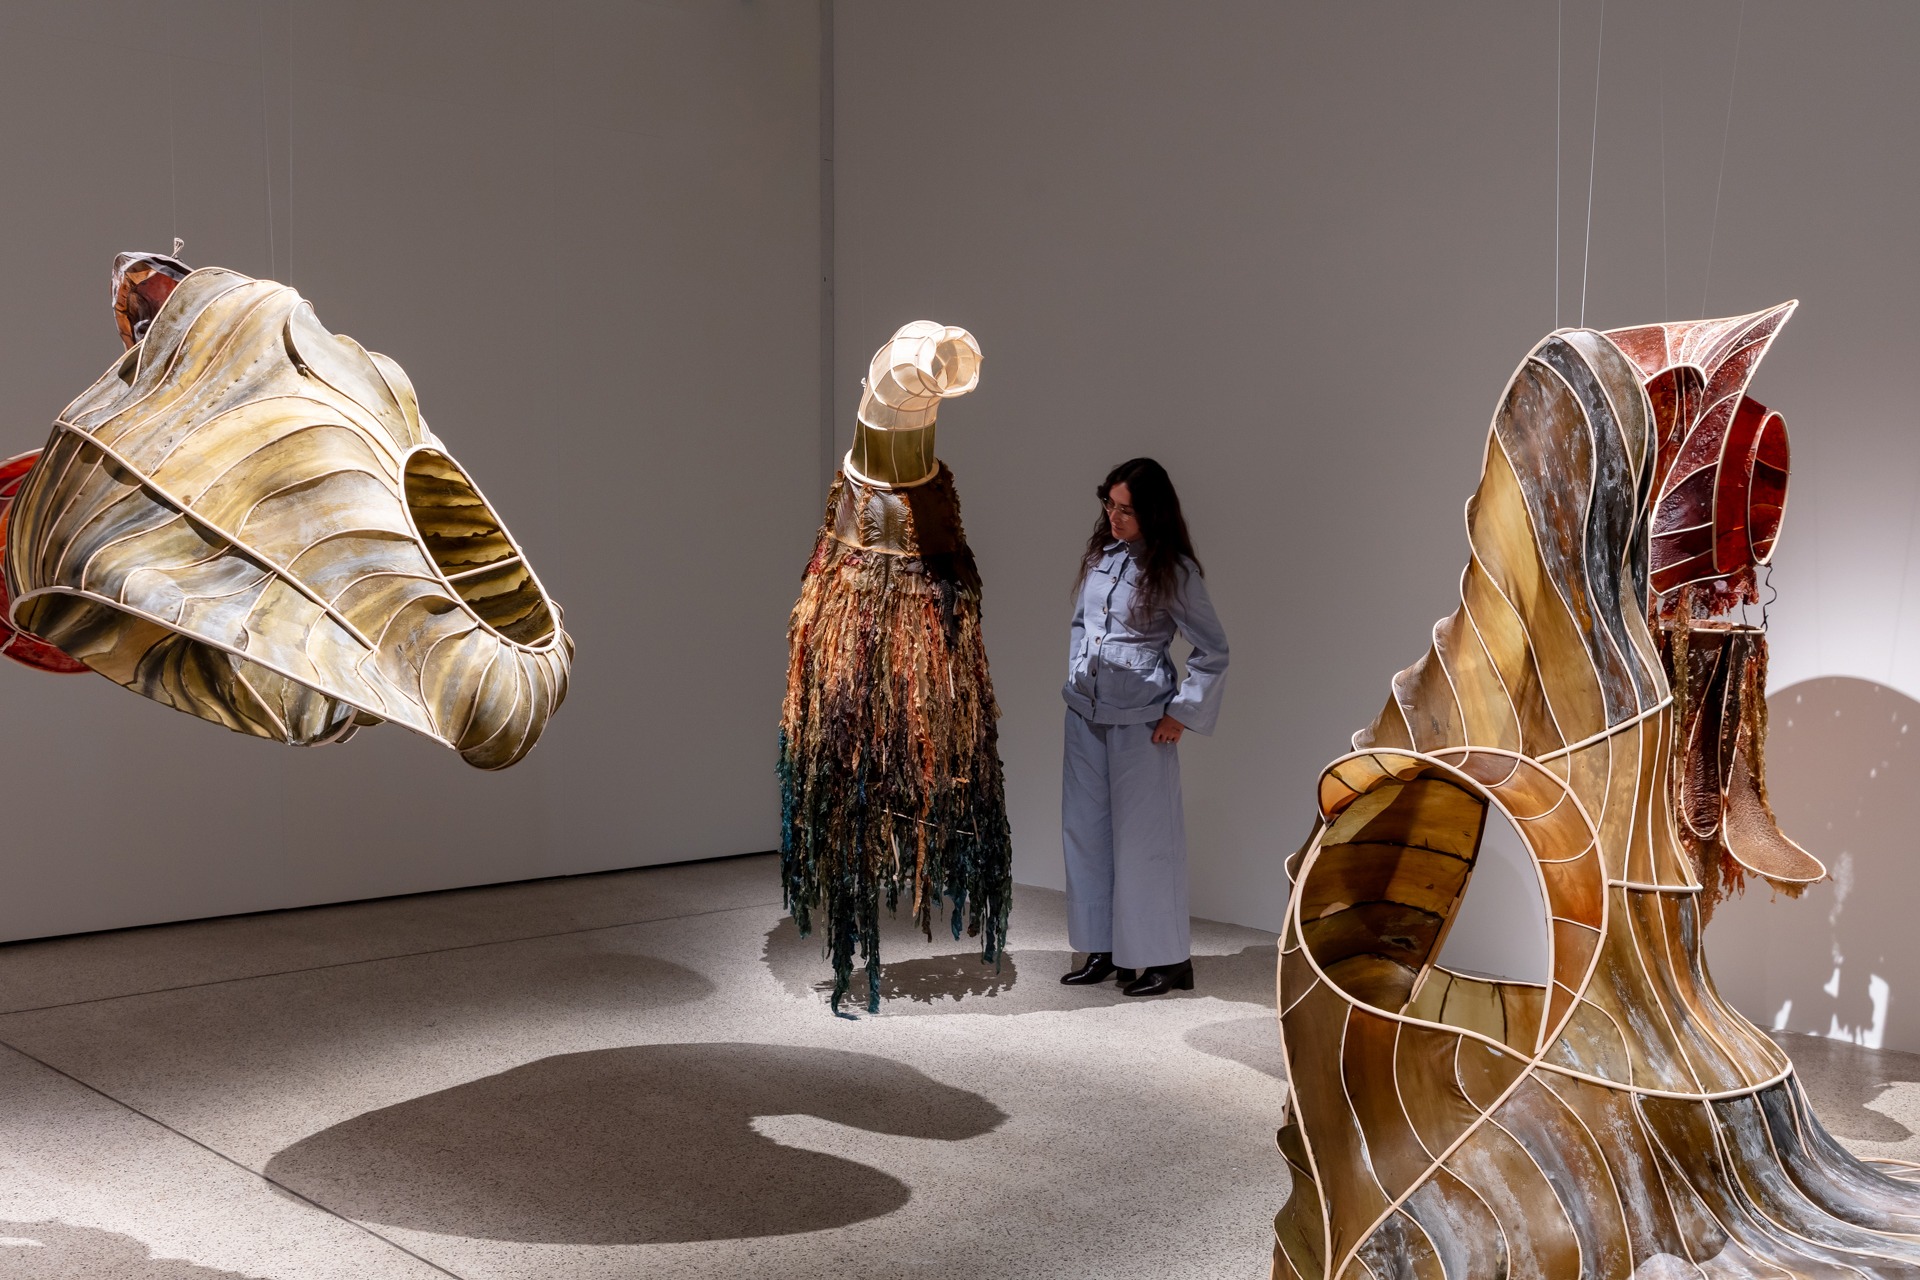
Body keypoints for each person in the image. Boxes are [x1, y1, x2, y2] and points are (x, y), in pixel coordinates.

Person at [1059, 458, 1227, 996]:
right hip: (1085, 716)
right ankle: (1105, 949)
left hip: (1141, 722)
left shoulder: (1174, 571)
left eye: (1126, 510)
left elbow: (1213, 650)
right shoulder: (1100, 558)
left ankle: (1166, 959)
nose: (1114, 516)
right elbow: (1082, 626)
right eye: (1109, 504)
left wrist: (1181, 712)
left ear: (1152, 512)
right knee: (1086, 833)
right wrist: (1077, 677)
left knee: (1144, 841)